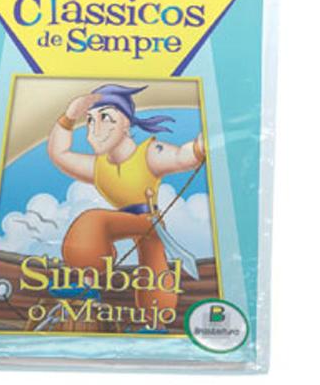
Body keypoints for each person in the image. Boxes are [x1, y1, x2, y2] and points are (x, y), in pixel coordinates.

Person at [47, 84, 205, 324]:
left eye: (105, 118)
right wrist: (68, 118)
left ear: (126, 123)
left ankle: (153, 318)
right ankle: (92, 286)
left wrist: (202, 145)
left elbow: (181, 156)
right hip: (127, 221)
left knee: (93, 222)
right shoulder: (98, 167)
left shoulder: (148, 153)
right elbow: (59, 155)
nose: (94, 129)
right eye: (89, 120)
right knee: (148, 257)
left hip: (148, 220)